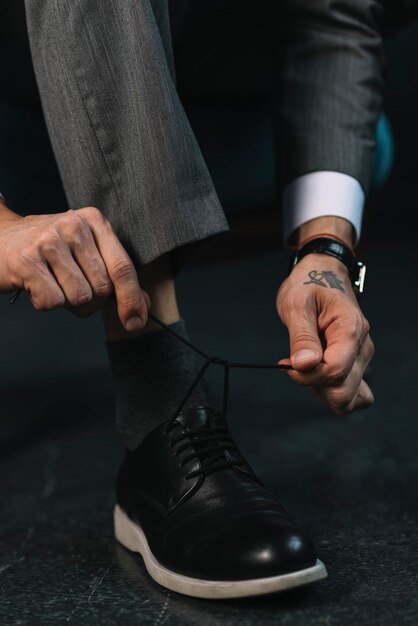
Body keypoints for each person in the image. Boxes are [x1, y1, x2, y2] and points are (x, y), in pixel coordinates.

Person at [0, 0, 416, 600]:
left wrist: (326, 255)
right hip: (18, 125)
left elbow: (335, 16)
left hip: (199, 126)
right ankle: (160, 407)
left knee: (363, 147)